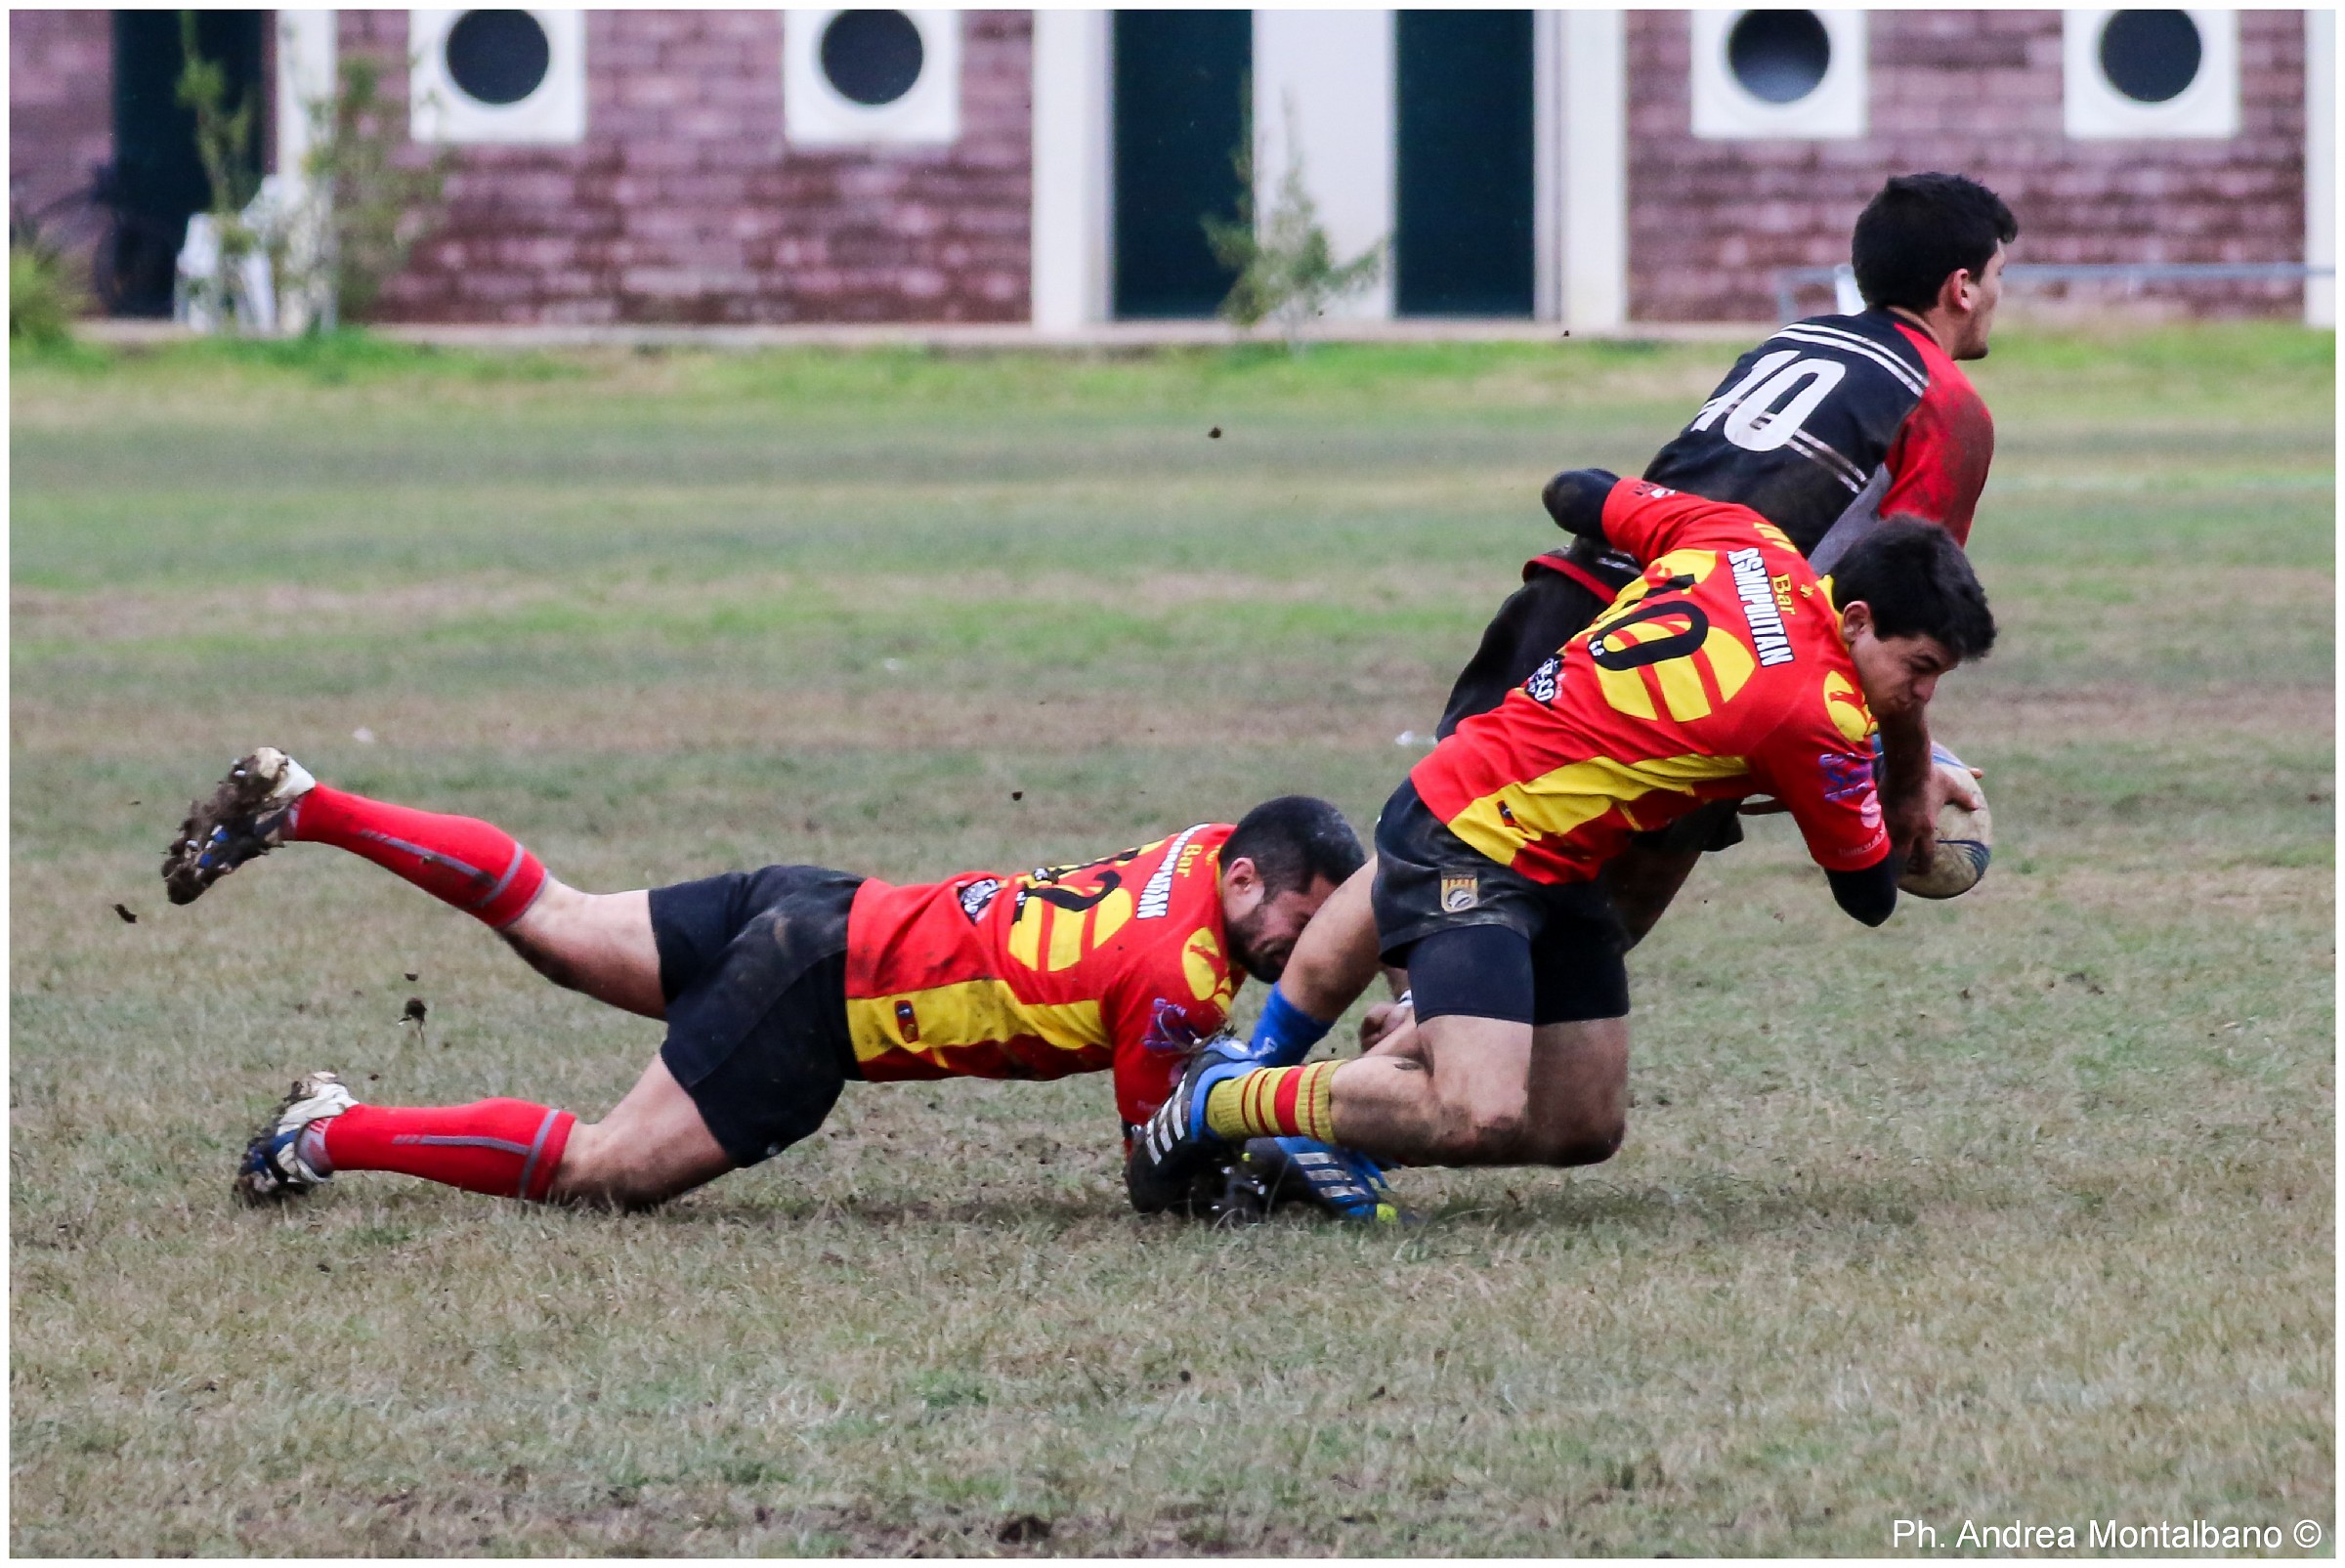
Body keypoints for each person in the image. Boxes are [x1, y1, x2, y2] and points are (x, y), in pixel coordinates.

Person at [1234, 170, 2019, 1076]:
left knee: (1450, 833)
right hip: (1707, 649)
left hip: (1583, 594)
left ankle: (1265, 1062)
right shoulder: (1947, 405)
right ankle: (1361, 1085)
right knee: (1611, 893)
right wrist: (1908, 775)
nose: (2000, 296)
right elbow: (1899, 605)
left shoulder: (1794, 340)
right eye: (1999, 274)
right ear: (1962, 284)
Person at [1129, 470, 1995, 1187]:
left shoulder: (1744, 539)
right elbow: (1871, 895)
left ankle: (1342, 1098)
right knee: (1480, 1109)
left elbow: (1575, 492)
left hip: (1560, 856)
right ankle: (1227, 1098)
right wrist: (1903, 767)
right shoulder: (1817, 718)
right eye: (1917, 670)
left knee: (1580, 1125)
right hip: (1468, 837)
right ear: (1855, 620)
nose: (1922, 694)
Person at [162, 750, 1371, 1212]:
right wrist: (1278, 1152)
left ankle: (314, 804)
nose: (1303, 956)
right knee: (603, 1170)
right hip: (819, 993)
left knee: (556, 916)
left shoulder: (1205, 848)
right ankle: (328, 1133)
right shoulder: (1174, 982)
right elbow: (1157, 1175)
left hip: (826, 902)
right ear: (1254, 874)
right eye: (1300, 929)